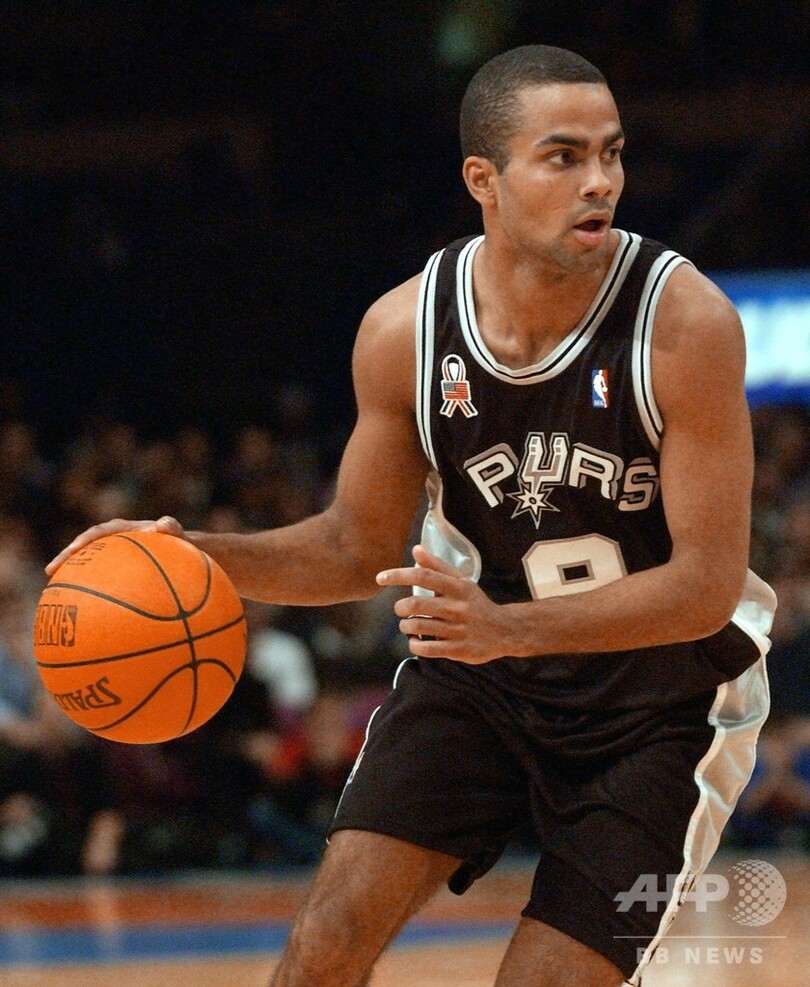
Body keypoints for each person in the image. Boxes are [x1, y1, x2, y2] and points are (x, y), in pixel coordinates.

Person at [47, 45, 776, 987]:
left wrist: (506, 627)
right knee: (322, 946)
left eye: (612, 152)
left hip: (664, 704)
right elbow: (354, 547)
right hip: (481, 680)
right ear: (484, 179)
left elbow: (706, 588)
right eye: (563, 156)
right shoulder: (405, 332)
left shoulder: (686, 324)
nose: (600, 181)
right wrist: (187, 557)